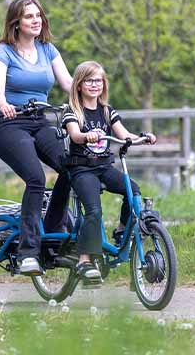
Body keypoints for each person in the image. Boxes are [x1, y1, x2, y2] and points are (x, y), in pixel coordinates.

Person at [0, 0, 72, 276]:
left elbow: (69, 84)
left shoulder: (48, 50)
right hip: (9, 123)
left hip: (39, 121)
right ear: (16, 22)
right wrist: (4, 104)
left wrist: (92, 97)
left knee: (72, 167)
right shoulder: (4, 52)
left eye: (38, 15)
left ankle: (52, 232)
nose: (35, 20)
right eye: (28, 16)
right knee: (36, 178)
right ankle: (28, 253)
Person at [62, 60, 156, 286]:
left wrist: (142, 138)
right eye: (89, 80)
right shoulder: (72, 111)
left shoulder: (106, 111)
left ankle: (122, 231)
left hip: (104, 167)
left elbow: (124, 134)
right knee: (94, 211)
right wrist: (87, 136)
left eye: (99, 80)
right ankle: (84, 259)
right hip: (82, 169)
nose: (95, 85)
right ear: (79, 85)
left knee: (132, 190)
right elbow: (74, 135)